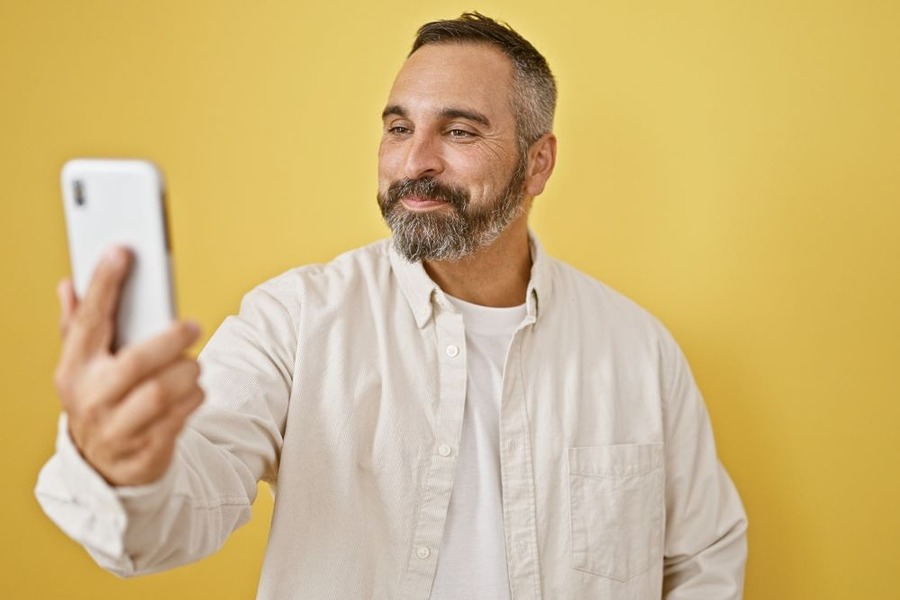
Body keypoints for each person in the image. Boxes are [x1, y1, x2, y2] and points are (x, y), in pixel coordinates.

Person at [36, 12, 747, 600]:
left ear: (538, 162)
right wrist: (118, 464)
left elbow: (704, 560)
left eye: (460, 131)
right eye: (399, 128)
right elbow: (180, 510)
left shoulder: (636, 350)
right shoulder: (295, 320)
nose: (415, 162)